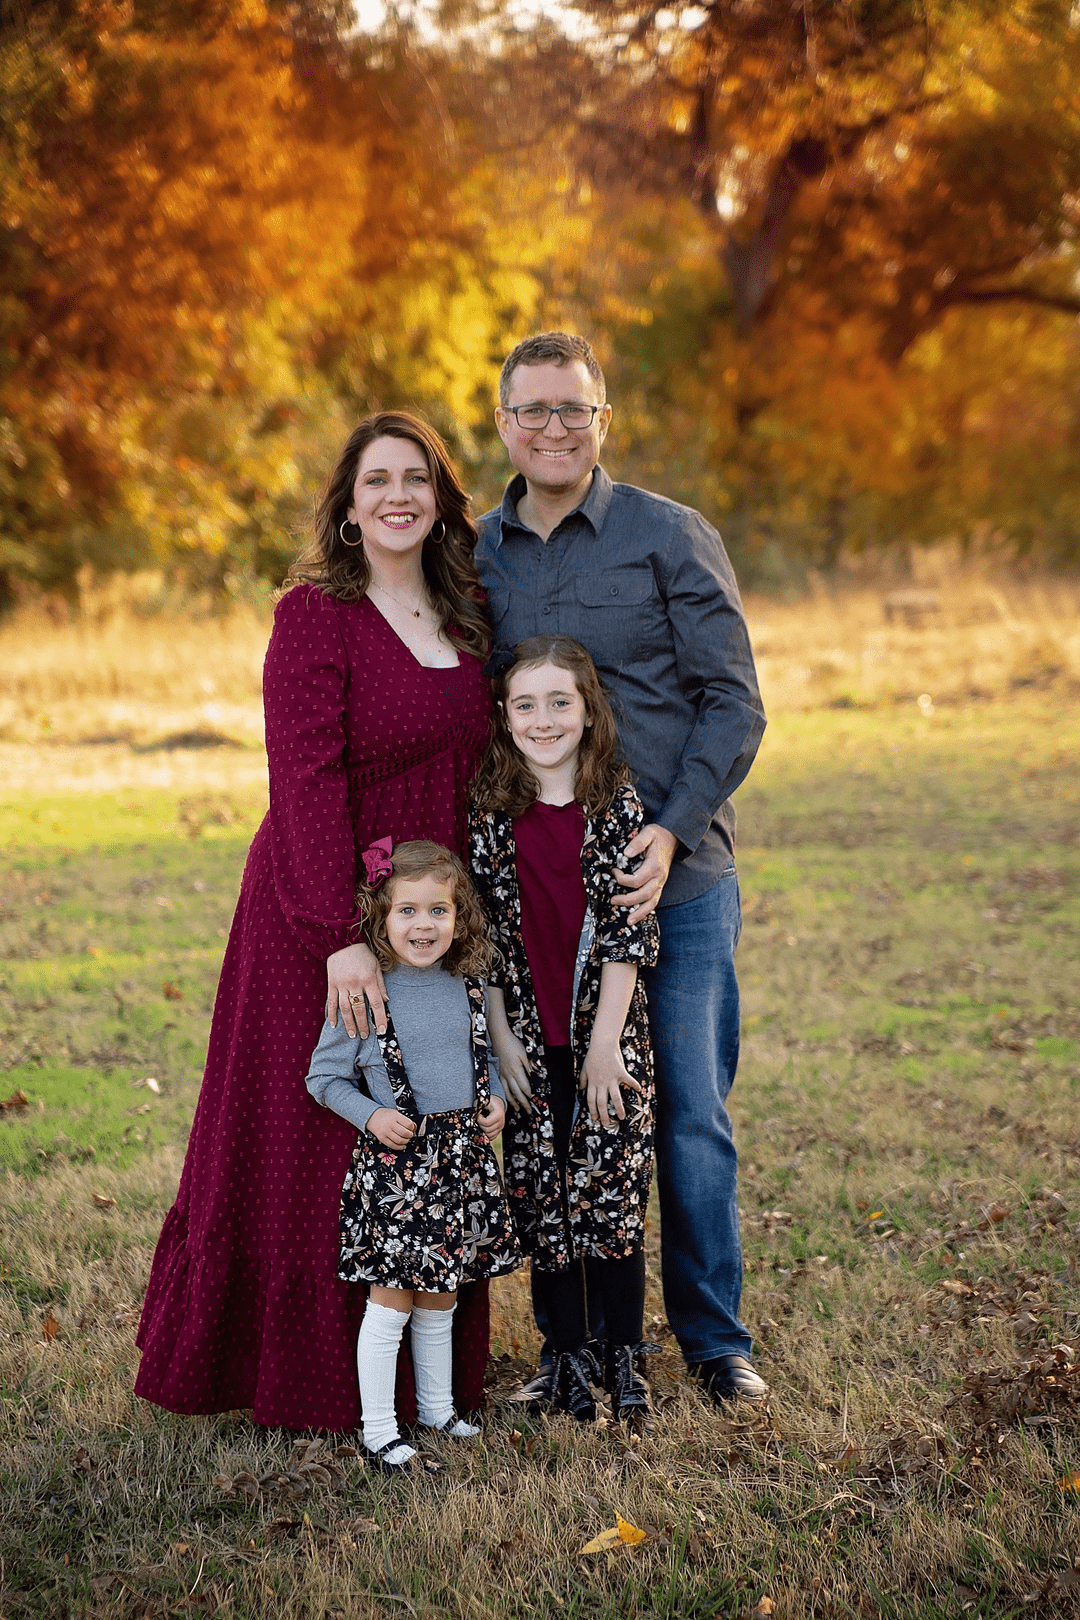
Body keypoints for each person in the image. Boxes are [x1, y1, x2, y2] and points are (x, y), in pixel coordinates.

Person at [135, 413, 495, 1431]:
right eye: (375, 479)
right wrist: (338, 933)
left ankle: (419, 1375)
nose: (396, 496)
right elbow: (302, 782)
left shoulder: (465, 610)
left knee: (420, 1129)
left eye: (415, 478)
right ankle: (297, 1377)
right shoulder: (313, 618)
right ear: (345, 504)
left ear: (439, 496)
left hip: (431, 914)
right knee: (311, 1133)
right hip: (318, 906)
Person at [474, 333, 769, 1405]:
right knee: (553, 1110)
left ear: (605, 420)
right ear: (503, 423)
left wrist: (673, 829)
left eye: (575, 409)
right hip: (544, 886)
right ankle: (581, 1338)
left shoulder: (670, 537)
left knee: (685, 1107)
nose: (554, 427)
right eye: (534, 410)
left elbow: (734, 702)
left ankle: (712, 1337)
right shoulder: (480, 553)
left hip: (672, 881)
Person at [469, 635, 659, 1424]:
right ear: (506, 717)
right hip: (526, 1041)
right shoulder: (489, 814)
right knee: (542, 1196)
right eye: (526, 705)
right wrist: (500, 1036)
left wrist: (608, 1042)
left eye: (560, 702)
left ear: (587, 712)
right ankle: (565, 1352)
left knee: (611, 1197)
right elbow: (477, 938)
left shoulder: (615, 805)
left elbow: (626, 935)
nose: (543, 720)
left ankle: (624, 1353)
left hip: (605, 1039)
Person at [305, 840, 520, 1472]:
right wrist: (371, 1115)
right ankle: (377, 1427)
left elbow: (482, 1059)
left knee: (441, 1295)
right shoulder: (367, 992)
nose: (423, 926)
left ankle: (435, 1407)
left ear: (460, 917)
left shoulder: (467, 984)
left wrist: (497, 1099)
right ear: (380, 916)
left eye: (438, 911)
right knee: (394, 1297)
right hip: (399, 1171)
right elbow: (323, 1078)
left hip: (460, 1161)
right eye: (407, 912)